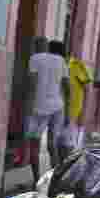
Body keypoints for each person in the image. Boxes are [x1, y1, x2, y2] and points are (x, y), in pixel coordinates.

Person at [24, 37, 71, 185]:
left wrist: (28, 108)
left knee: (34, 144)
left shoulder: (34, 59)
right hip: (58, 106)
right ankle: (55, 180)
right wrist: (68, 111)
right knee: (52, 143)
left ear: (35, 47)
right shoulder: (61, 60)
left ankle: (37, 178)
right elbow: (67, 88)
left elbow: (31, 84)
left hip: (38, 107)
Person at [59, 45, 93, 161]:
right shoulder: (59, 65)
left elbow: (88, 89)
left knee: (69, 147)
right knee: (59, 146)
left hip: (73, 112)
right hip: (58, 111)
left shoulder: (77, 65)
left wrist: (84, 112)